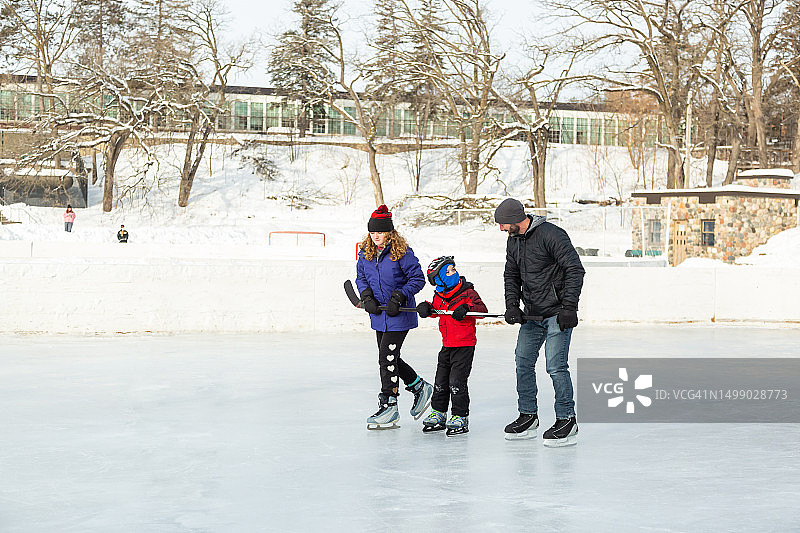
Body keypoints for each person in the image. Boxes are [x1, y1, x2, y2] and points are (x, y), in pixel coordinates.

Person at [495, 197, 585, 447]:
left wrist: (569, 307)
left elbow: (575, 270)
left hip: (557, 313)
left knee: (555, 367)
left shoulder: (551, 234)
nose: (501, 229)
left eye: (502, 224)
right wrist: (512, 305)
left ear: (515, 220)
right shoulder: (513, 240)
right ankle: (528, 415)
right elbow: (511, 274)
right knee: (522, 363)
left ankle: (567, 419)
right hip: (531, 314)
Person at [356, 204, 433, 430]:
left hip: (399, 314)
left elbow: (417, 279)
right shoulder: (365, 253)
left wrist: (399, 296)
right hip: (379, 314)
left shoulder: (402, 252)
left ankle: (389, 404)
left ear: (390, 231)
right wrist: (367, 296)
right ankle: (420, 387)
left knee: (386, 358)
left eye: (380, 231)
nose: (376, 236)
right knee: (390, 357)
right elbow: (361, 277)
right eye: (373, 232)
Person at [416, 256, 487, 436]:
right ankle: (439, 413)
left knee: (456, 382)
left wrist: (467, 309)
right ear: (438, 279)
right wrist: (426, 308)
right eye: (447, 272)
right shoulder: (439, 294)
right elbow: (436, 309)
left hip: (464, 345)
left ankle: (460, 416)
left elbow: (483, 311)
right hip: (447, 345)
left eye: (453, 269)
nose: (453, 273)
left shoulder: (467, 292)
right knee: (440, 382)